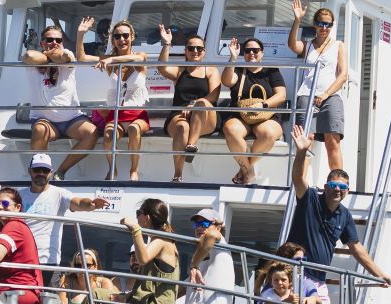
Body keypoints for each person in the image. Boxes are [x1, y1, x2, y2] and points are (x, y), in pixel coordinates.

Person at [289, 125, 391, 288]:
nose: (337, 189)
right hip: (294, 274)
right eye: (333, 185)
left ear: (347, 191)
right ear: (325, 187)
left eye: (342, 187)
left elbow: (356, 247)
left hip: (318, 281)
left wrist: (379, 275)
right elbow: (298, 178)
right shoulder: (310, 199)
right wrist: (301, 152)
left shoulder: (344, 215)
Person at [76, 17, 150, 180]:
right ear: (113, 40)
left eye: (125, 35)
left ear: (132, 37)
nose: (122, 39)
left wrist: (111, 59)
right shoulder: (108, 61)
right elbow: (81, 58)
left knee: (134, 129)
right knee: (109, 135)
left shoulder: (139, 56)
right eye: (117, 36)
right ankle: (112, 169)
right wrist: (81, 34)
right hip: (116, 115)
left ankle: (134, 170)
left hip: (137, 115)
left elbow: (138, 59)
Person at [22, 25, 98, 180]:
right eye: (50, 40)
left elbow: (62, 58)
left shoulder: (68, 54)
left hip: (71, 120)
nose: (55, 43)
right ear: (42, 42)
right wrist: (47, 58)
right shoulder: (34, 60)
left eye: (58, 40)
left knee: (91, 132)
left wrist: (46, 58)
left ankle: (61, 172)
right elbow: (29, 56)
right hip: (45, 121)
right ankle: (42, 173)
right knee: (40, 130)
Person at [18, 153, 109, 282]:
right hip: (21, 260)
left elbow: (78, 202)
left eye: (45, 170)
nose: (41, 173)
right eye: (37, 170)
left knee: (48, 296)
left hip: (48, 262)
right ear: (30, 171)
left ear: (51, 172)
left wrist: (91, 204)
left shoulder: (60, 194)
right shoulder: (18, 195)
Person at [288, 0, 349, 172]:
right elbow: (292, 45)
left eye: (328, 24)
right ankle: (301, 182)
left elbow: (343, 75)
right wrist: (297, 20)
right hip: (306, 94)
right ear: (315, 24)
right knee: (305, 140)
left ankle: (337, 181)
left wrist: (326, 94)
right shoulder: (307, 45)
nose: (324, 27)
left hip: (331, 96)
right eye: (321, 23)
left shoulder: (338, 45)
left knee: (332, 141)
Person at [220, 37, 288, 185]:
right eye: (247, 50)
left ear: (262, 53)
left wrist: (263, 105)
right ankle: (249, 171)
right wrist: (232, 57)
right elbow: (226, 81)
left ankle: (245, 168)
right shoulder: (238, 70)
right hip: (240, 115)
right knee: (230, 129)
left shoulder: (271, 71)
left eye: (255, 50)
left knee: (269, 133)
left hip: (266, 115)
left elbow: (281, 95)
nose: (251, 53)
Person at [157, 27, 221, 182]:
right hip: (180, 114)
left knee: (202, 102)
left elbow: (213, 96)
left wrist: (193, 105)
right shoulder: (180, 70)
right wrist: (166, 44)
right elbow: (162, 68)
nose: (195, 51)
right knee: (182, 127)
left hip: (205, 116)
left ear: (204, 51)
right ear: (185, 51)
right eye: (191, 48)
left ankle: (191, 145)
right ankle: (177, 175)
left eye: (199, 48)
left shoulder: (211, 70)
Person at [121, 198, 180, 304]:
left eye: (138, 213)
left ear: (147, 218)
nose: (137, 217)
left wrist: (135, 229)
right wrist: (126, 297)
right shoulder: (158, 239)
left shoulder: (162, 240)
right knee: (98, 295)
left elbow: (143, 259)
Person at [177, 208, 235, 304]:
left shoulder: (221, 248)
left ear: (218, 227)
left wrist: (193, 265)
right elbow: (181, 288)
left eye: (204, 224)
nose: (199, 228)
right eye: (196, 224)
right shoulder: (202, 261)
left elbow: (211, 235)